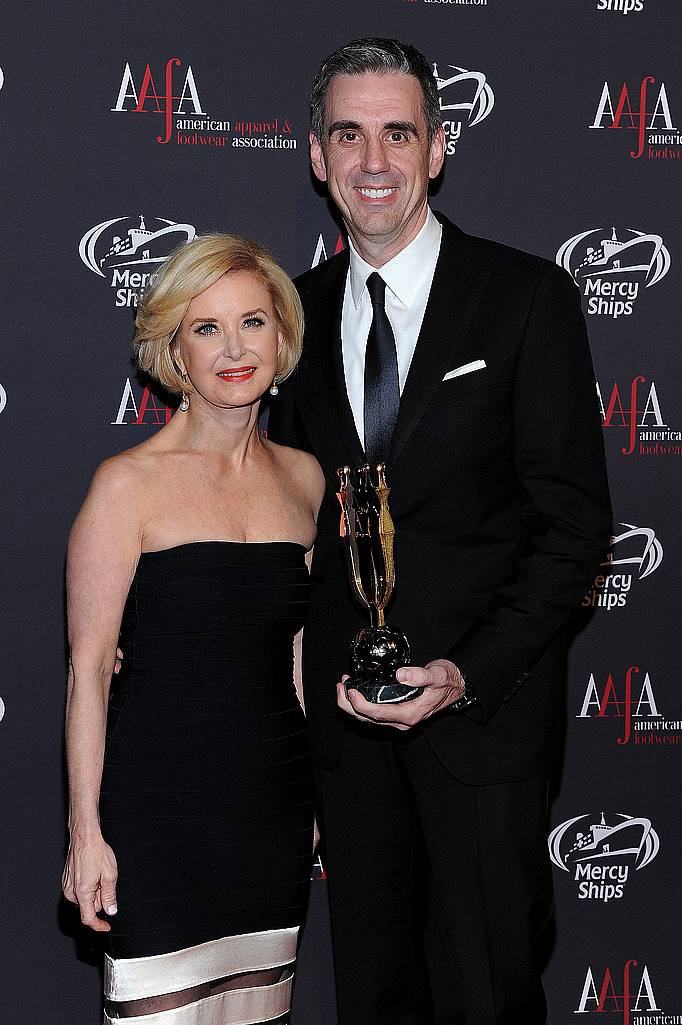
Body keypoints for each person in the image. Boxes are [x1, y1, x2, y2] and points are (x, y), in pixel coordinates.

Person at [267, 37, 613, 1025]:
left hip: (482, 732)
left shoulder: (523, 298)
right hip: (345, 735)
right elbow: (278, 524)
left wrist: (465, 671)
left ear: (437, 148)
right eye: (348, 134)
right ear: (315, 155)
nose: (372, 161)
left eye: (396, 133)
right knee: (371, 995)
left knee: (486, 995)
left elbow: (573, 525)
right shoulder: (285, 317)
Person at [61, 234, 324, 1024]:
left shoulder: (307, 480)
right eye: (205, 327)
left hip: (271, 814)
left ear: (282, 336)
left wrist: (316, 804)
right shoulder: (126, 486)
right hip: (156, 820)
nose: (234, 347)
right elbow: (87, 673)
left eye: (252, 322)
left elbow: (299, 658)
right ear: (174, 347)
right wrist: (86, 834)